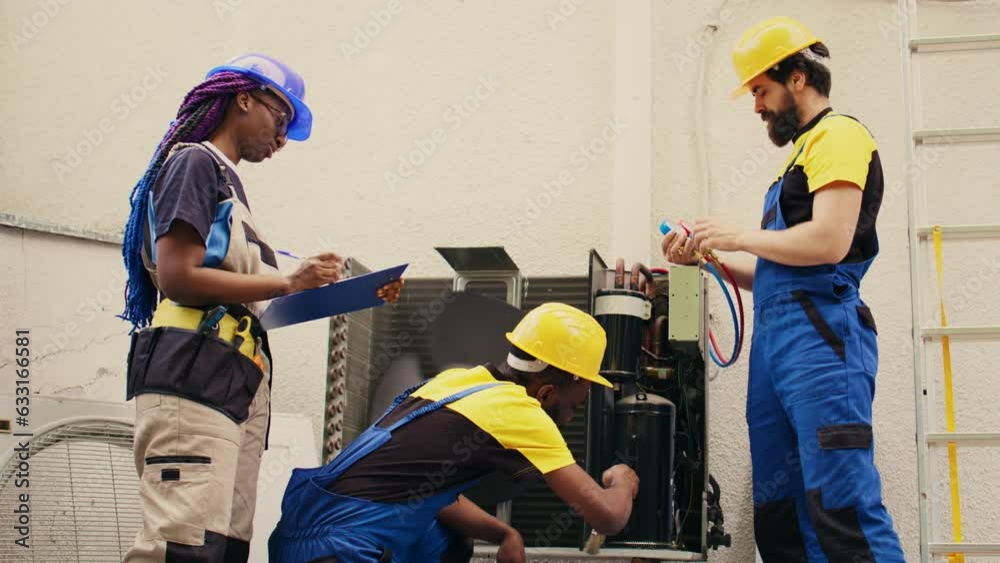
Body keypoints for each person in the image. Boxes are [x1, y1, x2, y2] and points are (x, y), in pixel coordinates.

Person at [119, 53, 401, 562]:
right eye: (280, 117)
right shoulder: (194, 161)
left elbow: (250, 300)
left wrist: (340, 292)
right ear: (243, 99)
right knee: (183, 547)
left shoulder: (229, 186)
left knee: (222, 547)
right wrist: (289, 280)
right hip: (193, 374)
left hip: (230, 380)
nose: (282, 138)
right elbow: (178, 277)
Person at [662, 16, 905, 562]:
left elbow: (830, 240)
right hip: (779, 346)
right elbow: (776, 273)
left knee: (839, 505)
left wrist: (739, 234)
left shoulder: (839, 135)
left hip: (823, 339)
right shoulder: (796, 160)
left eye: (760, 90)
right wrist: (710, 261)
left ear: (797, 77)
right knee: (783, 513)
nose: (756, 107)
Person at [268, 303, 640, 563]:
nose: (571, 418)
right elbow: (606, 517)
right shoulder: (522, 411)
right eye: (574, 405)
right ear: (546, 392)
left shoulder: (457, 382)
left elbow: (431, 492)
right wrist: (623, 481)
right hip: (344, 550)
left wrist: (505, 534)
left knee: (448, 540)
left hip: (302, 535)